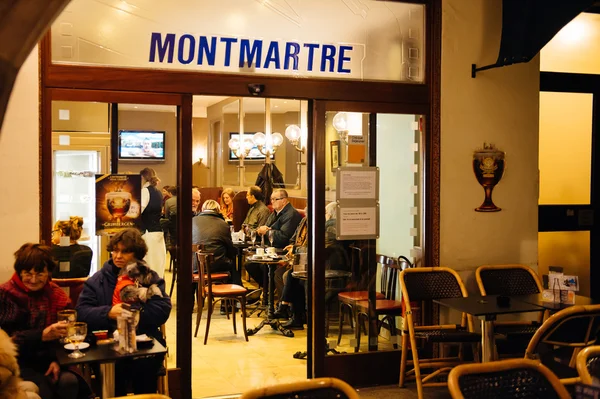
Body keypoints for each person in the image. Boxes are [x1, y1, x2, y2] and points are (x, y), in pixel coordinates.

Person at [76, 229, 171, 396]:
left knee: (146, 368)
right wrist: (108, 312)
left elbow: (162, 309)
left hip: (143, 344)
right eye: (115, 250)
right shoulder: (97, 280)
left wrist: (133, 313)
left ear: (137, 254)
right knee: (111, 369)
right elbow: (82, 313)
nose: (118, 255)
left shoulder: (149, 277)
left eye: (125, 251)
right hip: (106, 347)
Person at [0, 243, 91, 399]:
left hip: (51, 358)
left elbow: (68, 333)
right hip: (17, 364)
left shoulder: (56, 295)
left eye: (40, 273)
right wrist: (41, 335)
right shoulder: (6, 294)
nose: (33, 279)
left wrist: (57, 360)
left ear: (48, 272)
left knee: (70, 381)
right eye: (28, 273)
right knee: (43, 388)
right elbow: (6, 342)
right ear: (19, 272)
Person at [245, 189, 302, 288]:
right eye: (271, 199)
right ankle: (267, 290)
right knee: (250, 264)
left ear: (284, 200)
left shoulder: (291, 214)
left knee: (262, 266)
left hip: (282, 249)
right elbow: (266, 227)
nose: (272, 202)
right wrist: (261, 230)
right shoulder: (275, 212)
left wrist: (267, 231)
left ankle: (269, 292)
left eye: (275, 199)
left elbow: (284, 237)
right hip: (269, 247)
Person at [192, 200, 241, 286]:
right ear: (218, 210)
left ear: (203, 209)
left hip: (194, 266)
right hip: (216, 266)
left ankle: (193, 296)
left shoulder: (192, 221)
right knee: (232, 266)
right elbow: (229, 249)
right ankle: (231, 295)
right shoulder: (223, 224)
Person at [140, 167, 166, 277]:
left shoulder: (145, 191)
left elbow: (139, 210)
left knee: (149, 264)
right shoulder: (158, 192)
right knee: (158, 264)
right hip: (158, 231)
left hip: (148, 232)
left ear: (143, 178)